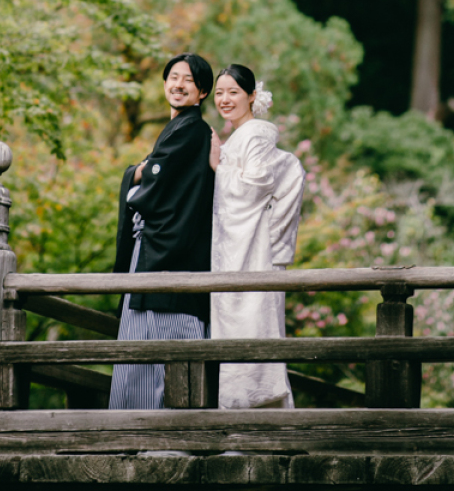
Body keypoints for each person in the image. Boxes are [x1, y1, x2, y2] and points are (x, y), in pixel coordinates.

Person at [109, 52, 215, 409]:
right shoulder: (181, 129)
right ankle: (133, 428)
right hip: (158, 247)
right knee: (143, 342)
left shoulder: (193, 130)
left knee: (157, 343)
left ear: (202, 92)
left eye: (188, 80)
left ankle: (146, 429)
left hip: (167, 249)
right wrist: (142, 169)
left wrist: (136, 171)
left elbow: (155, 179)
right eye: (173, 77)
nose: (179, 84)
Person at [209, 63, 306, 410]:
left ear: (252, 96)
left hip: (252, 250)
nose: (224, 99)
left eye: (233, 92)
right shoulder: (239, 135)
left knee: (250, 322)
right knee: (237, 324)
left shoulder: (257, 134)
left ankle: (254, 410)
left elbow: (253, 188)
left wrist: (219, 167)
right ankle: (239, 412)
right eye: (219, 92)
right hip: (234, 247)